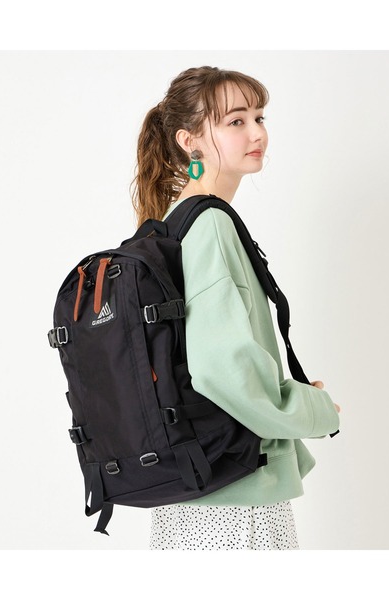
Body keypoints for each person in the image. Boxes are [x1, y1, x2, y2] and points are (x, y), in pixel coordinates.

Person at [131, 66, 341, 550]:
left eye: (259, 117)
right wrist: (315, 410)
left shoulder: (175, 222)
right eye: (235, 121)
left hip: (199, 489)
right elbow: (223, 369)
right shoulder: (209, 226)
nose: (257, 133)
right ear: (190, 141)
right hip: (236, 501)